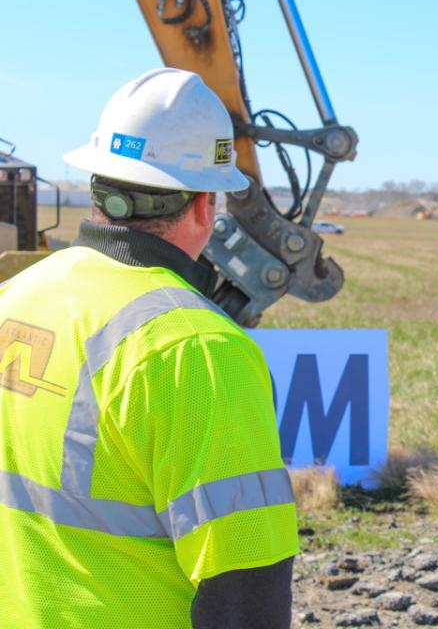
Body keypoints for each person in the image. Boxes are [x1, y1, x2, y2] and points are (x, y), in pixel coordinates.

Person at [0, 68, 298, 627]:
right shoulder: (196, 347)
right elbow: (246, 583)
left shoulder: (17, 295)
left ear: (96, 186)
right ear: (207, 204)